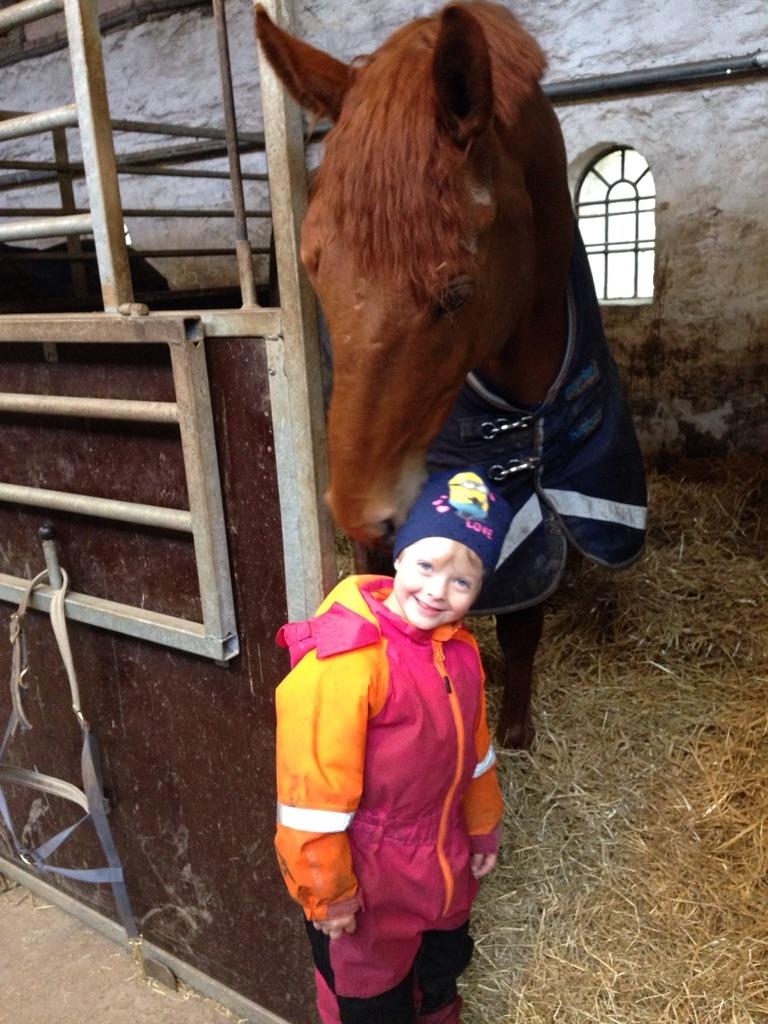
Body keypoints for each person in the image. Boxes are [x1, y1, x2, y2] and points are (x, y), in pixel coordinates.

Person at [274, 468, 513, 1024]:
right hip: (369, 878)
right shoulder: (346, 662)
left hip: (442, 862)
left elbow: (476, 755)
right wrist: (328, 892)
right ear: (398, 557)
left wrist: (481, 827)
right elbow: (311, 798)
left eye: (462, 581)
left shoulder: (460, 652)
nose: (437, 590)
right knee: (369, 1000)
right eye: (427, 565)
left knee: (439, 977)